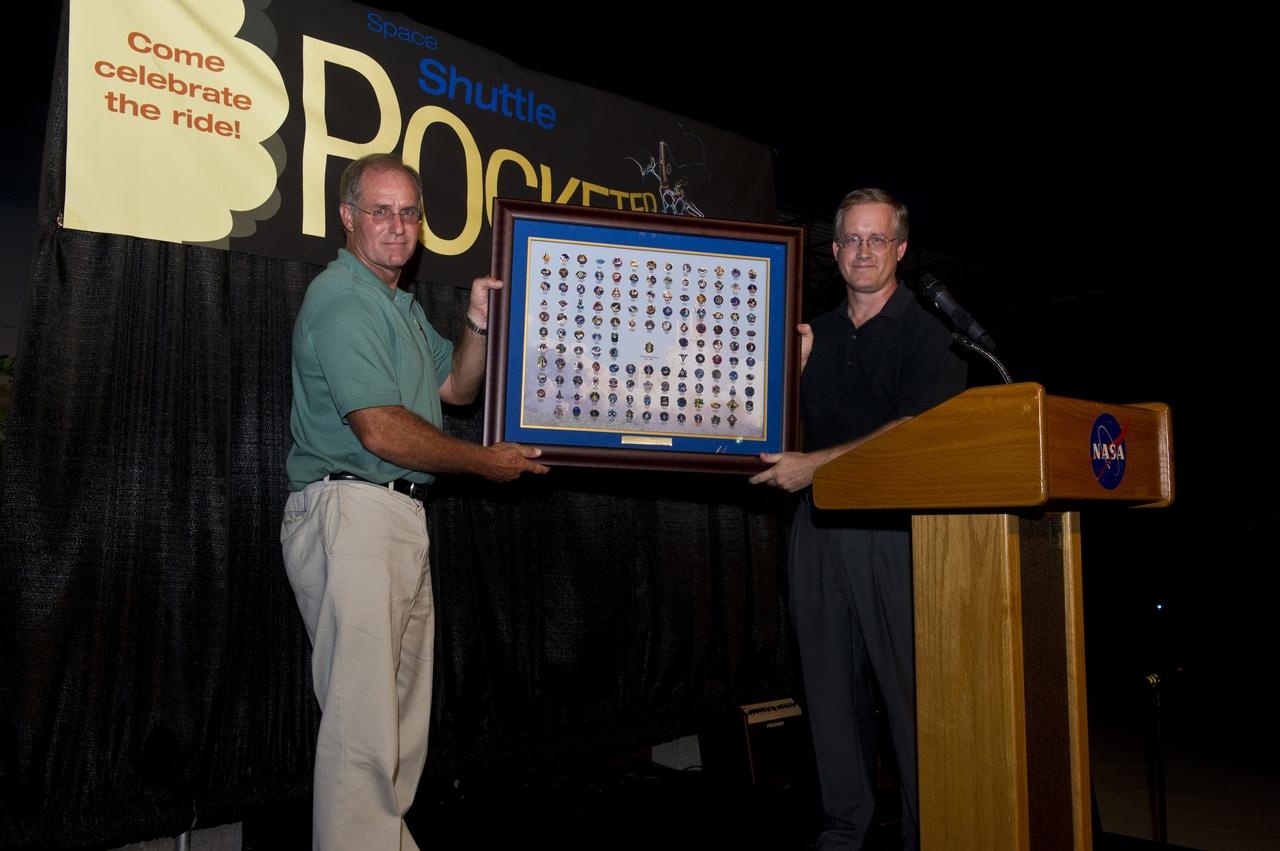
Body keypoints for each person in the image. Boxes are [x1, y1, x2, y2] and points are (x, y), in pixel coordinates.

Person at [280, 153, 547, 850]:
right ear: (347, 217)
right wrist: (484, 463)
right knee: (363, 737)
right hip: (354, 513)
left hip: (391, 518)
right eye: (380, 211)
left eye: (408, 212)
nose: (397, 226)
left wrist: (481, 322)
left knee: (393, 734)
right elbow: (380, 427)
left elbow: (456, 386)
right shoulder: (342, 299)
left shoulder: (394, 303)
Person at [750, 189, 966, 849]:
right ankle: (845, 831)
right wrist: (788, 373)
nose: (862, 251)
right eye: (850, 239)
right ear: (834, 249)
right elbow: (771, 427)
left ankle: (931, 835)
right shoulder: (813, 333)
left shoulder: (932, 334)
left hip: (895, 533)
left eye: (877, 239)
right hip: (817, 531)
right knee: (829, 695)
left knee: (908, 697)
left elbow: (912, 432)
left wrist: (816, 464)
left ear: (900, 249)